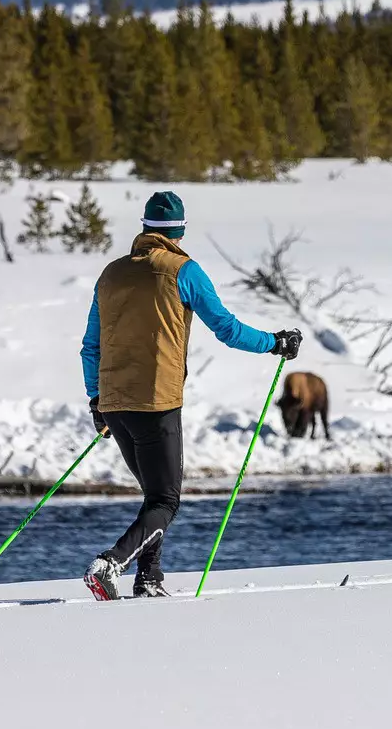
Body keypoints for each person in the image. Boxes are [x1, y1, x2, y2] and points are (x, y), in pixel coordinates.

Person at [80, 191, 299, 599]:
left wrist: (96, 400)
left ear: (144, 228)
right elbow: (228, 330)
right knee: (166, 500)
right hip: (157, 402)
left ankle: (149, 580)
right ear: (180, 231)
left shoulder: (110, 274)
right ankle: (110, 563)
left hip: (114, 404)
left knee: (154, 497)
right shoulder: (184, 270)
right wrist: (275, 342)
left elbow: (90, 347)